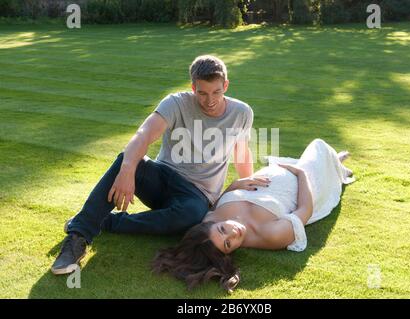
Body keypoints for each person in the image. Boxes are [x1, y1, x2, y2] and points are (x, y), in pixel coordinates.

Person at [51, 55, 262, 275]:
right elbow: (143, 135)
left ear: (225, 85)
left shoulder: (242, 113)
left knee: (191, 215)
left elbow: (241, 152)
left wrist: (248, 194)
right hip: (162, 178)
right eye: (202, 93)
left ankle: (106, 222)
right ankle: (77, 238)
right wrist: (127, 171)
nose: (210, 100)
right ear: (193, 87)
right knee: (128, 159)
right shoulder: (175, 103)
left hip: (197, 195)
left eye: (216, 92)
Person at [152, 139, 355, 292]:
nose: (234, 233)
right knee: (318, 147)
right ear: (228, 253)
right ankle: (335, 165)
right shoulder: (270, 236)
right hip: (306, 183)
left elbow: (218, 204)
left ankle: (332, 163)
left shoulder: (210, 219)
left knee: (317, 153)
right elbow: (305, 209)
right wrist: (300, 173)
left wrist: (234, 186)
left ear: (213, 224)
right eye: (229, 244)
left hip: (274, 175)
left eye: (223, 229)